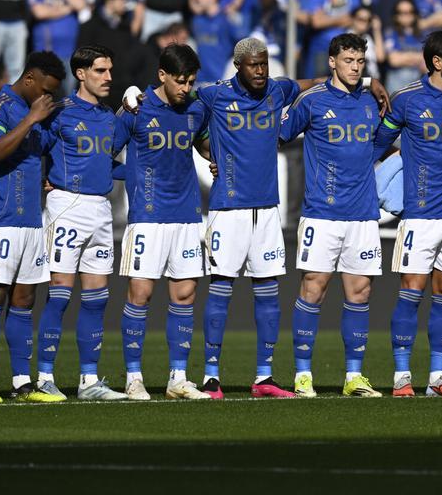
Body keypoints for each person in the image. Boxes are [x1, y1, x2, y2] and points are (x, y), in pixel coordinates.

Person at [192, 37, 346, 400]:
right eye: (253, 65)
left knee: (269, 292)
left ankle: (264, 377)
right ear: (237, 66)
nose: (261, 71)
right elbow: (178, 107)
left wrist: (369, 83)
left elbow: (311, 83)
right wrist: (204, 150)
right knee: (221, 288)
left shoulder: (277, 89)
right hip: (227, 208)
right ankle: (211, 375)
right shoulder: (213, 95)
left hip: (267, 208)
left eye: (264, 64)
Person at [373, 30, 442, 397]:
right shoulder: (406, 101)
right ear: (438, 62)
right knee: (411, 291)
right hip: (420, 214)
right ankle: (402, 376)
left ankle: (439, 377)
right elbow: (376, 146)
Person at [278, 33, 383, 398]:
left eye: (360, 62)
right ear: (332, 62)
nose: (355, 67)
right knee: (314, 287)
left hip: (364, 215)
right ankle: (302, 374)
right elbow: (278, 133)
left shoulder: (371, 102)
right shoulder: (312, 101)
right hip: (322, 213)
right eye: (348, 61)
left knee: (360, 292)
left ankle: (354, 376)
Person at [113, 44, 212, 400]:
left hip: (186, 215)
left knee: (184, 295)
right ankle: (134, 377)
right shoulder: (136, 109)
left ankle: (178, 378)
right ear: (162, 76)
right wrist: (133, 174)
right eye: (180, 81)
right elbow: (103, 150)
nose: (186, 88)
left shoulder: (195, 109)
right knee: (140, 294)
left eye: (191, 81)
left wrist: (211, 157)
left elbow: (201, 143)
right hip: (147, 217)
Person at [28, 46, 127, 401]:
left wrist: (148, 173)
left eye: (110, 70)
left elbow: (106, 163)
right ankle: (43, 378)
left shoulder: (109, 118)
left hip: (101, 208)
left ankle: (89, 381)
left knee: (97, 299)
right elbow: (31, 150)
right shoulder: (59, 114)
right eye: (100, 71)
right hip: (67, 206)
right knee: (59, 295)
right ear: (81, 74)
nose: (109, 78)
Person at [0, 50, 66, 404]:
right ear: (29, 80)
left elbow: (52, 152)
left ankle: (23, 381)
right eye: (45, 90)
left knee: (24, 300)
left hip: (30, 222)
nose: (48, 97)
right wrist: (32, 119)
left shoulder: (40, 112)